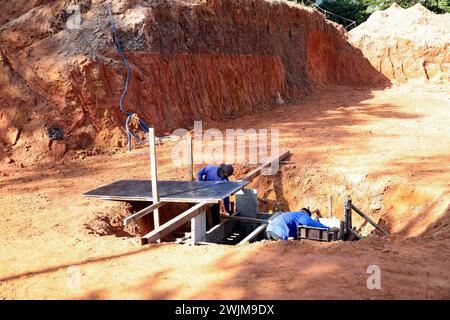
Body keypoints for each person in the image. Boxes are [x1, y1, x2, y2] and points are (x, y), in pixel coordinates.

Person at [266, 208, 330, 240]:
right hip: (279, 232)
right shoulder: (302, 215)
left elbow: (295, 233)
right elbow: (309, 222)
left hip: (269, 230)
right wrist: (328, 228)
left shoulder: (292, 215)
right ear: (306, 213)